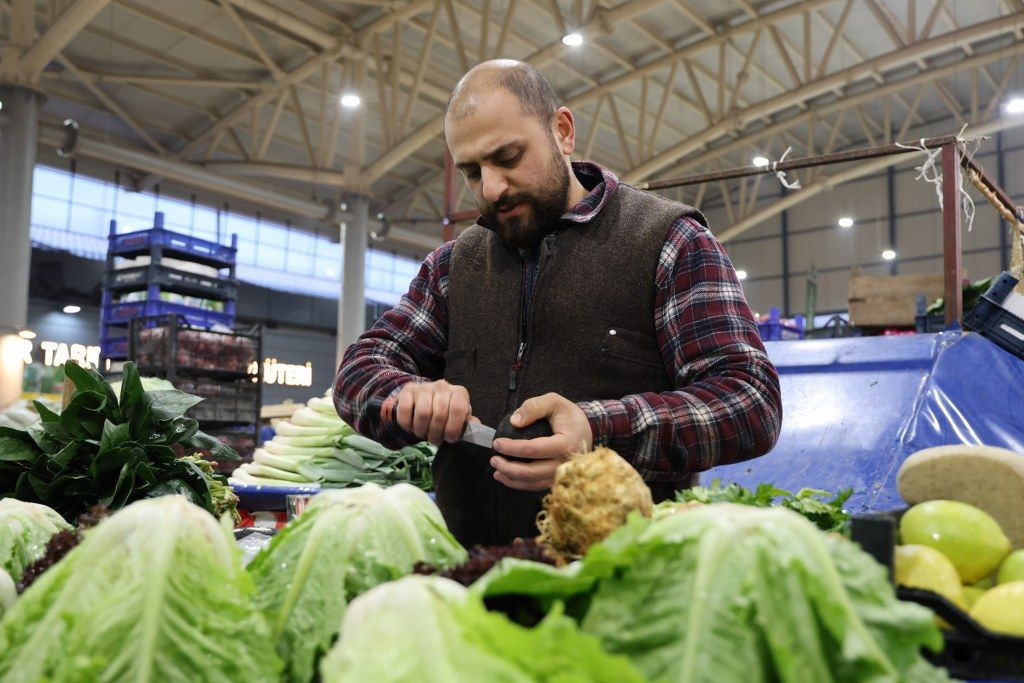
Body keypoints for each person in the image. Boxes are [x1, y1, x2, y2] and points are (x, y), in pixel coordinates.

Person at [334, 59, 782, 547]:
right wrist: (406, 395)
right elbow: (358, 372)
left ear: (562, 132)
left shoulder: (668, 242)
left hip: (624, 585)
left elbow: (749, 401)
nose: (491, 188)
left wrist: (598, 430)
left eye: (507, 157)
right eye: (471, 172)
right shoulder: (453, 268)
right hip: (470, 585)